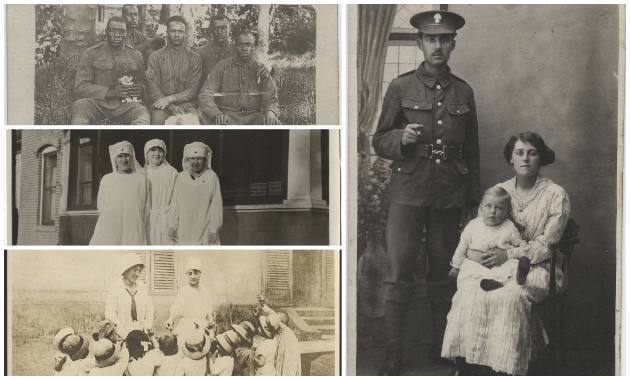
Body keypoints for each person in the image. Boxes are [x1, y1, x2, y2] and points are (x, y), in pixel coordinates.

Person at [371, 10, 480, 375]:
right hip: (407, 190)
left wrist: (472, 200)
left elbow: (473, 151)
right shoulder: (400, 87)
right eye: (430, 39)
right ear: (419, 43)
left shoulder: (464, 91)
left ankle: (442, 347)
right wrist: (399, 138)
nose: (438, 46)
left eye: (444, 39)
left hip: (449, 192)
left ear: (453, 44)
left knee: (443, 274)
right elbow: (380, 140)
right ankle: (393, 351)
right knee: (399, 273)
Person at [441, 132, 571, 375]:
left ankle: (507, 366)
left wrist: (509, 255)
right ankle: (472, 362)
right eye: (519, 153)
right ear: (510, 158)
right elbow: (480, 227)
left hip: (542, 266)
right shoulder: (500, 191)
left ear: (540, 158)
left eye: (532, 153)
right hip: (494, 265)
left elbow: (547, 244)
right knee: (471, 290)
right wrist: (472, 252)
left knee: (510, 295)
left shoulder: (556, 195)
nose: (525, 159)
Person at [72, 16, 150, 125]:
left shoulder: (135, 55)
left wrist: (140, 89)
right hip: (98, 104)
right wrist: (110, 92)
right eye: (113, 30)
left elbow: (144, 82)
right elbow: (80, 87)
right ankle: (78, 139)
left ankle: (137, 140)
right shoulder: (91, 53)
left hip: (126, 106)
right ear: (106, 32)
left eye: (121, 31)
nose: (117, 35)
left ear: (126, 34)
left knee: (142, 112)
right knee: (80, 105)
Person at [449, 186, 531, 290]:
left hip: (501, 264)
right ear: (481, 208)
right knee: (470, 271)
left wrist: (521, 248)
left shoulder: (509, 227)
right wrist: (456, 266)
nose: (493, 211)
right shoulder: (473, 225)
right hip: (477, 263)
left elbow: (520, 244)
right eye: (488, 206)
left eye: (499, 208)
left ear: (507, 211)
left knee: (512, 265)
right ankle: (491, 283)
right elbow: (462, 246)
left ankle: (519, 276)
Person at [198, 29, 280, 125]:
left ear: (253, 47)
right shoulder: (222, 66)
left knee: (276, 125)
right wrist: (217, 114)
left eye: (248, 45)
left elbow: (271, 99)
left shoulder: (261, 69)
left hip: (253, 118)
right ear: (235, 46)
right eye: (240, 45)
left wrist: (270, 112)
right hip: (227, 118)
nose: (244, 48)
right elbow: (205, 94)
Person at [90, 141, 150, 245]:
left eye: (127, 156)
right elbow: (101, 205)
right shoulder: (107, 179)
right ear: (115, 159)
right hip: (111, 227)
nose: (124, 160)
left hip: (133, 227)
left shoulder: (140, 179)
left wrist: (135, 221)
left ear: (131, 158)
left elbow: (146, 206)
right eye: (120, 156)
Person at [146, 15, 203, 125]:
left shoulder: (194, 58)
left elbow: (193, 89)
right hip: (161, 105)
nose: (177, 35)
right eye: (173, 31)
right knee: (157, 122)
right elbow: (153, 87)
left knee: (193, 124)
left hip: (187, 105)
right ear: (167, 33)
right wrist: (169, 105)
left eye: (180, 32)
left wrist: (171, 99)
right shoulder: (155, 57)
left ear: (185, 34)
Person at [196, 15, 269, 92]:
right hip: (208, 96)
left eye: (223, 28)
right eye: (215, 28)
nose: (219, 32)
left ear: (229, 29)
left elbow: (258, 67)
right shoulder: (200, 53)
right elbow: (195, 83)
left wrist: (267, 68)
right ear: (211, 30)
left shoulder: (241, 51)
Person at [167, 142, 223, 245]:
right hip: (183, 230)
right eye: (192, 158)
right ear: (188, 159)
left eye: (199, 158)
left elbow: (216, 204)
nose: (195, 162)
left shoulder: (211, 177)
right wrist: (172, 225)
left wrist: (214, 229)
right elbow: (175, 204)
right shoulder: (181, 177)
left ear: (205, 159)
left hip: (204, 230)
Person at [105, 253, 155, 339]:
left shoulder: (141, 287)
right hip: (122, 337)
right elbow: (111, 315)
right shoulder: (115, 288)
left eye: (139, 270)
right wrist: (125, 335)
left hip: (141, 337)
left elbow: (149, 310)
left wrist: (147, 327)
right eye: (135, 270)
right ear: (126, 270)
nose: (137, 274)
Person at [165, 257, 215, 343]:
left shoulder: (205, 291)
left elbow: (208, 309)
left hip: (203, 327)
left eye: (196, 273)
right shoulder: (184, 291)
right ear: (186, 274)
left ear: (200, 273)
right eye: (190, 273)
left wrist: (210, 319)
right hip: (187, 327)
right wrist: (171, 318)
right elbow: (177, 307)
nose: (193, 276)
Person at [141, 139, 178, 245]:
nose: (157, 154)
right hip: (147, 222)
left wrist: (173, 224)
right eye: (153, 150)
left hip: (166, 221)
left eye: (160, 150)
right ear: (146, 153)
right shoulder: (141, 174)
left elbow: (176, 201)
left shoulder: (172, 172)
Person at [257, 295, 301, 376]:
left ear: (281, 321)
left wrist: (263, 307)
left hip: (289, 363)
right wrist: (263, 305)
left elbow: (273, 317)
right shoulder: (278, 331)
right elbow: (272, 317)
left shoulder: (286, 330)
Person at [253, 308, 279, 376]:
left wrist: (252, 356)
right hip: (270, 371)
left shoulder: (264, 344)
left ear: (266, 330)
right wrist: (257, 317)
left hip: (263, 373)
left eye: (260, 327)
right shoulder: (273, 340)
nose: (258, 328)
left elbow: (261, 363)